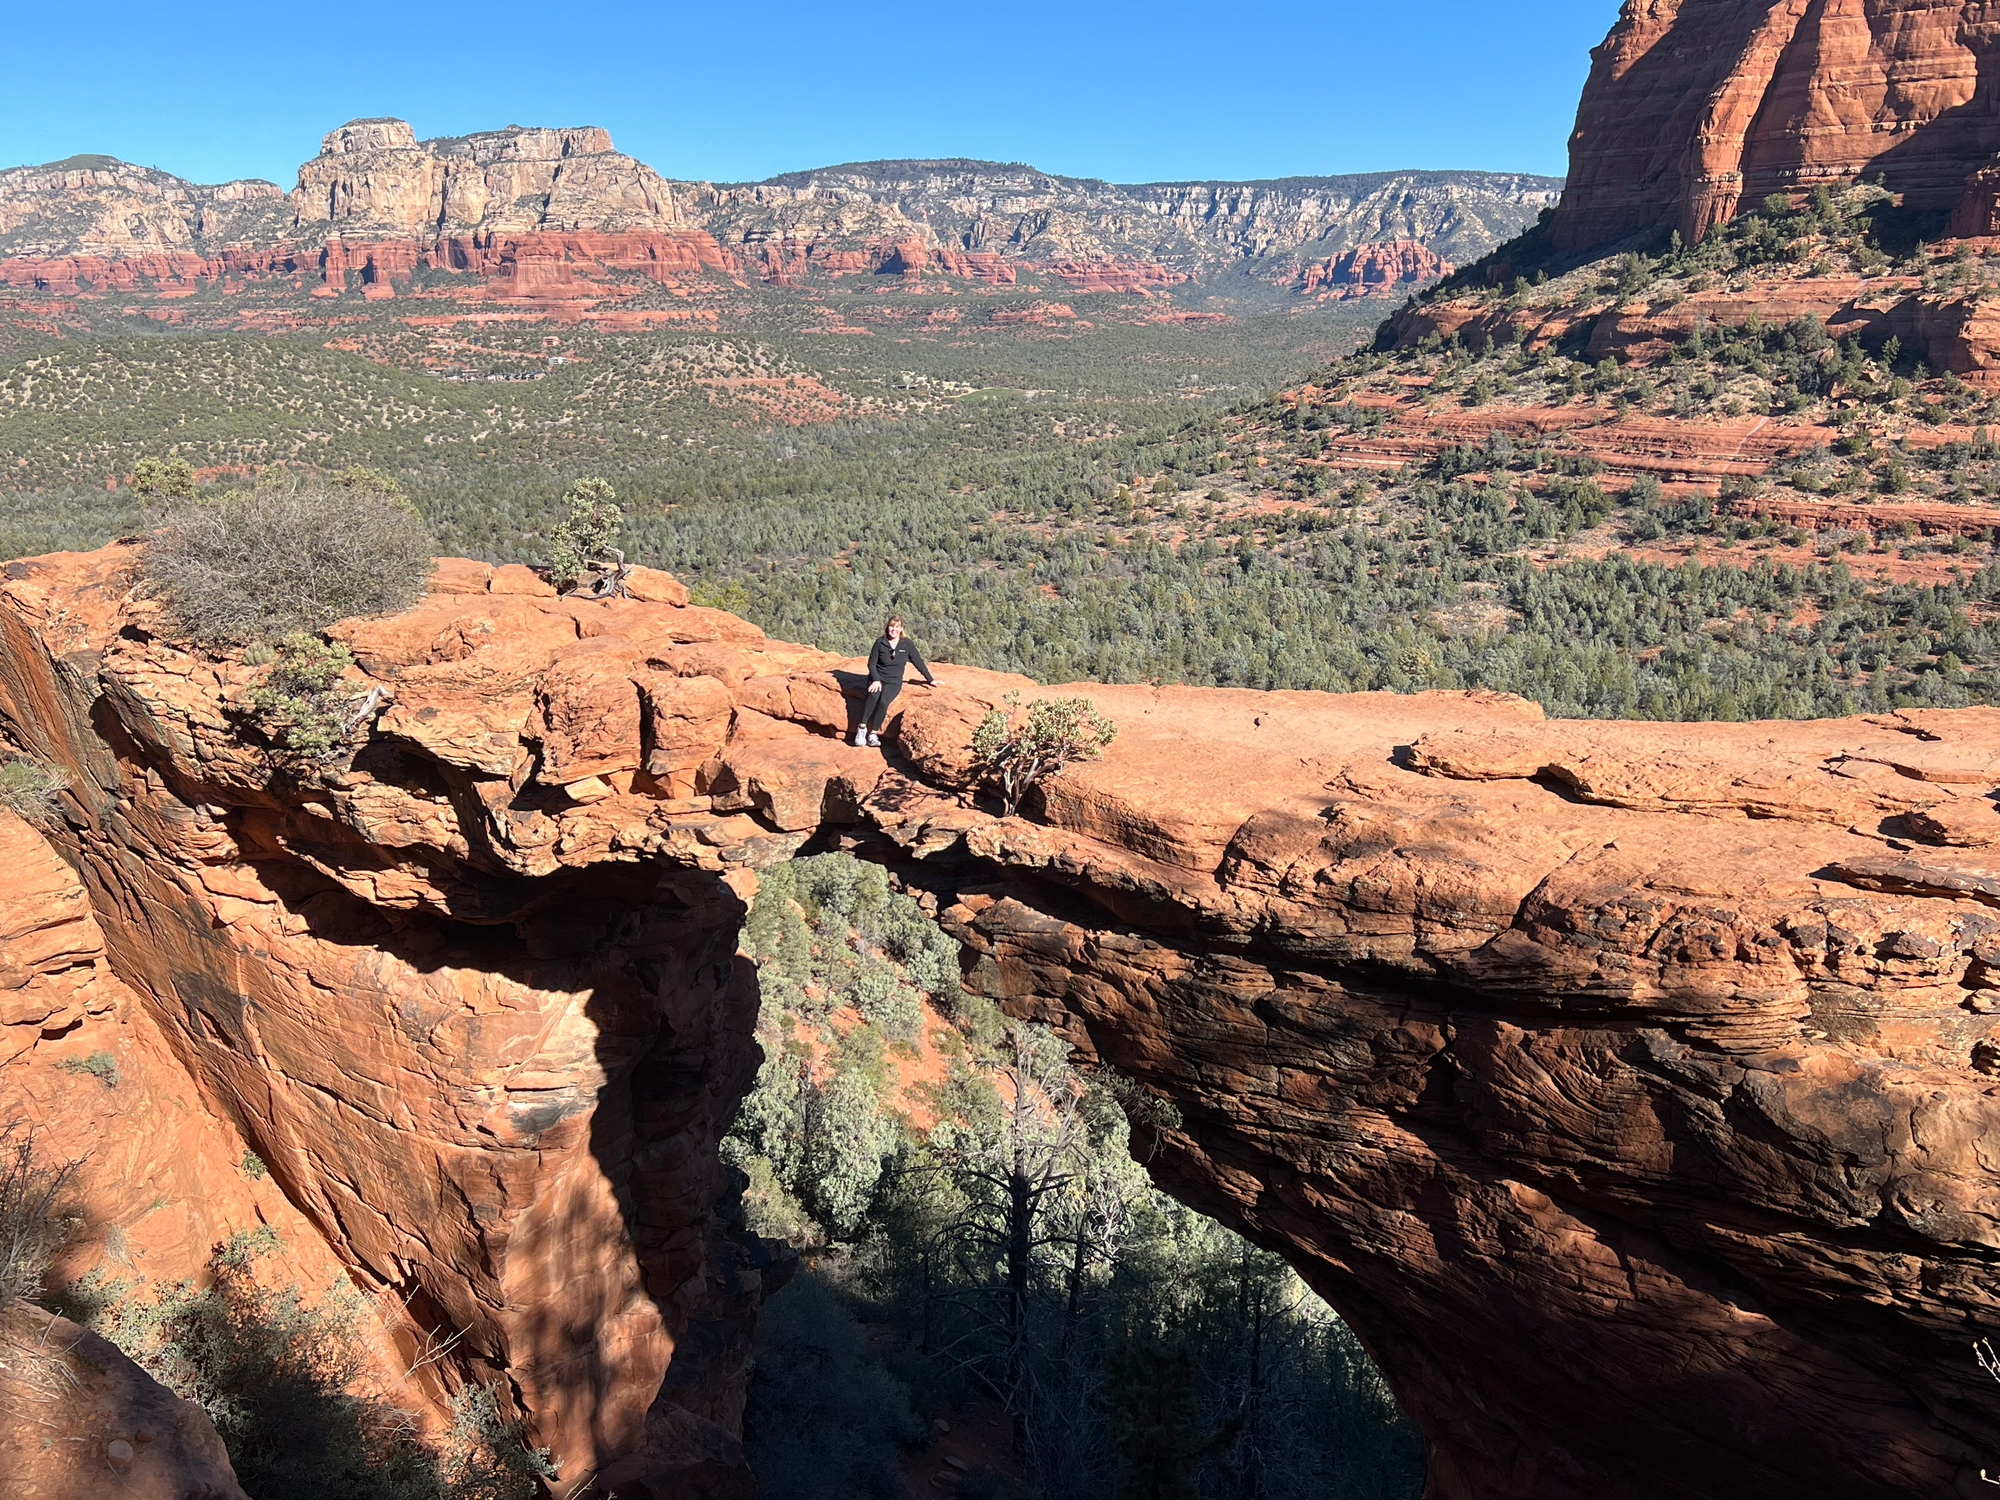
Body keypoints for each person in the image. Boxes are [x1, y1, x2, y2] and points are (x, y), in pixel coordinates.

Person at [854, 615, 937, 747]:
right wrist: (875, 679)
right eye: (891, 626)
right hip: (877, 677)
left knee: (884, 701)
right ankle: (862, 728)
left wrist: (930, 679)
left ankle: (873, 734)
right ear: (887, 628)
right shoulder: (880, 642)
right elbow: (871, 663)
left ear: (901, 629)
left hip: (894, 681)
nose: (894, 629)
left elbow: (918, 661)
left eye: (897, 627)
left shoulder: (907, 644)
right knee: (874, 695)